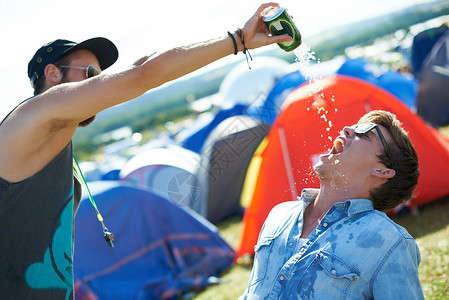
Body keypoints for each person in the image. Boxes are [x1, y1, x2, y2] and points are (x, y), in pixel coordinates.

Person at [0, 3, 291, 299]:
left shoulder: (52, 141)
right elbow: (143, 73)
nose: (99, 83)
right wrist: (238, 40)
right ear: (52, 73)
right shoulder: (36, 114)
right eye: (90, 74)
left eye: (100, 75)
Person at [240, 110, 424, 299]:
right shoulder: (279, 214)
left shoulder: (388, 241)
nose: (347, 130)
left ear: (382, 171)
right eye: (353, 127)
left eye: (364, 133)